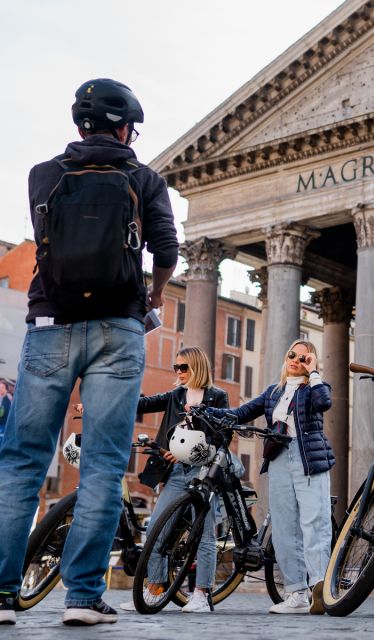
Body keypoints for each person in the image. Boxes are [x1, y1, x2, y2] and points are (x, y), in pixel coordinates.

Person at [0, 79, 178, 626]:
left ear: (79, 125)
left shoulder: (44, 175)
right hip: (116, 330)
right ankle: (81, 598)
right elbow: (166, 250)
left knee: (21, 462)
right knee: (102, 463)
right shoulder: (145, 179)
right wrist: (153, 294)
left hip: (50, 324)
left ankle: (3, 594)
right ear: (125, 128)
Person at [204, 340, 333, 615]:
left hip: (308, 457)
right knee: (285, 528)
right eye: (292, 355)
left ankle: (320, 587)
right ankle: (296, 593)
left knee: (314, 522)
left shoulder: (315, 387)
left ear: (312, 360)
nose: (296, 360)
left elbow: (324, 403)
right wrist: (207, 410)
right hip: (279, 458)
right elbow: (239, 414)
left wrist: (314, 373)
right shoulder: (273, 392)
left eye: (303, 357)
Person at [111, 347, 229, 613]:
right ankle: (154, 588)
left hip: (204, 473)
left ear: (197, 367)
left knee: (205, 534)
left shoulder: (218, 397)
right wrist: (104, 400)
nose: (179, 372)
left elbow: (224, 435)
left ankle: (201, 594)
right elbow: (143, 403)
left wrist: (195, 450)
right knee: (155, 529)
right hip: (176, 474)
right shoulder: (176, 395)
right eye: (176, 368)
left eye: (183, 367)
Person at [0, 380, 12, 447]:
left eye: (2, 387)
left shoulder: (8, 400)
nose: (0, 389)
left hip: (3, 426)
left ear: (6, 390)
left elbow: (2, 414)